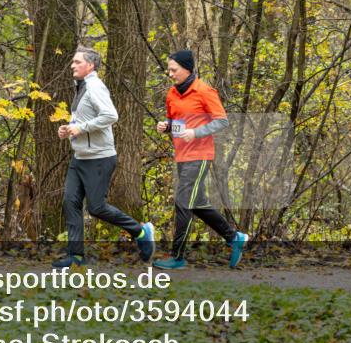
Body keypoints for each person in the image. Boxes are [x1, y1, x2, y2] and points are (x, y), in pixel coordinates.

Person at [52, 47, 154, 268]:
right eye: (73, 61)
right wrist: (68, 128)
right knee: (70, 202)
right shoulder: (80, 86)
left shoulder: (95, 87)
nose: (72, 65)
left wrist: (82, 129)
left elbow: (110, 115)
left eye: (77, 62)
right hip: (80, 157)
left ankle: (140, 231)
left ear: (90, 65)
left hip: (98, 158)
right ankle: (76, 256)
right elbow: (81, 118)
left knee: (96, 208)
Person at [153, 50, 248, 270]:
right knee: (196, 204)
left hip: (200, 155)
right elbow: (174, 121)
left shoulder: (204, 91)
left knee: (183, 203)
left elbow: (222, 121)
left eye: (174, 70)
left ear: (187, 69)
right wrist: (165, 127)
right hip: (182, 155)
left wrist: (196, 133)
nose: (170, 74)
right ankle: (234, 238)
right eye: (169, 70)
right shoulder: (172, 93)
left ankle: (177, 257)